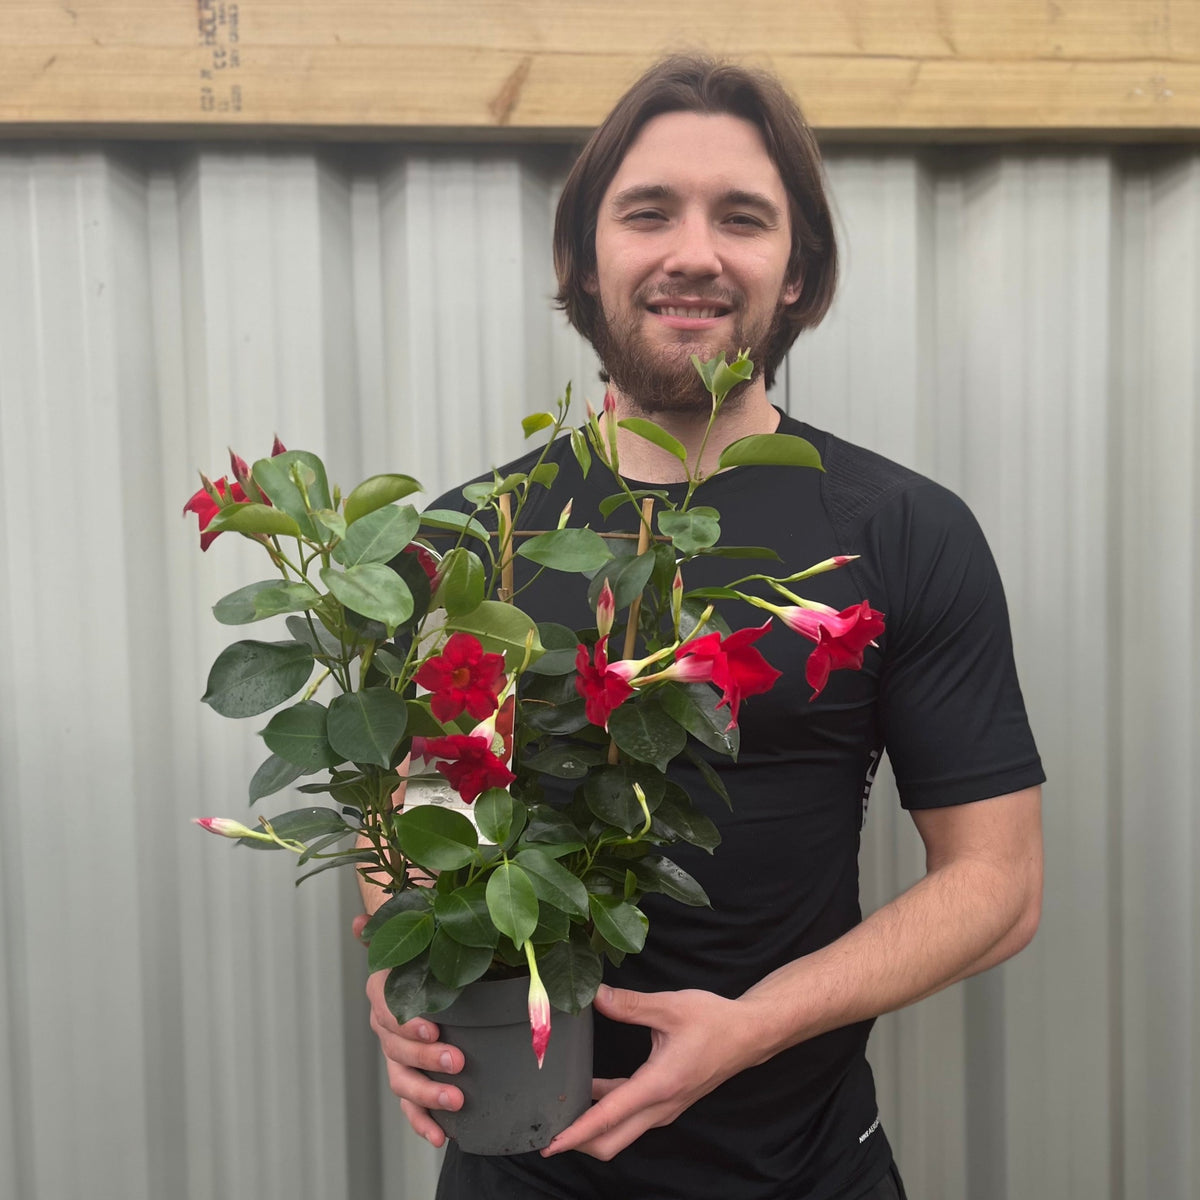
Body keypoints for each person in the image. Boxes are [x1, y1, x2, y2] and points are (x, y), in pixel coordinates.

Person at [358, 55, 1045, 1200]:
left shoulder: (903, 531)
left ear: (798, 273)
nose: (693, 252)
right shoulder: (471, 541)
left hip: (806, 1173)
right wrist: (404, 980)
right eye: (648, 212)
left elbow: (1000, 885)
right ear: (584, 259)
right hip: (523, 1170)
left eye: (742, 218)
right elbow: (420, 821)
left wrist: (754, 1026)